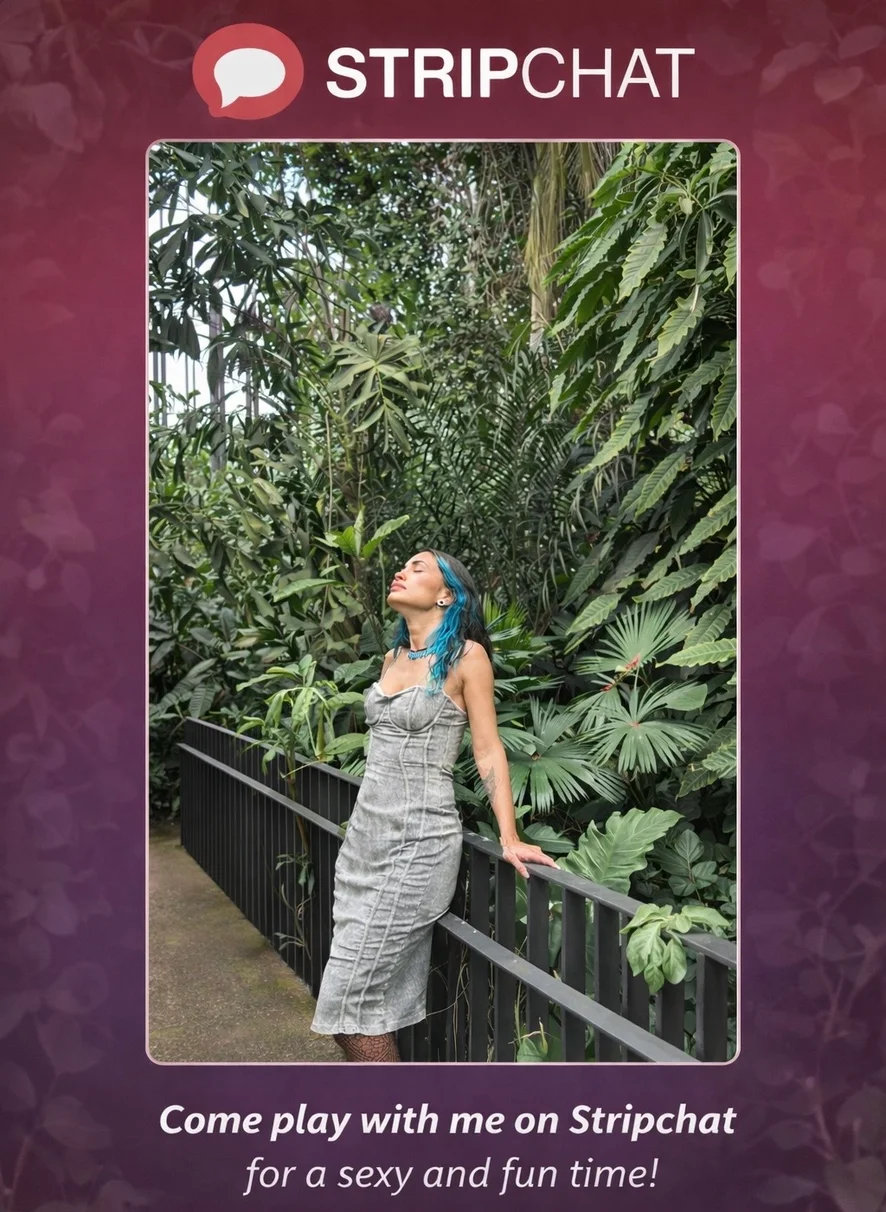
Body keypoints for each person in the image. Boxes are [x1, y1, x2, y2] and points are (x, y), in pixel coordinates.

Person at [310, 548, 557, 1062]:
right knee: (354, 1009)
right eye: (403, 566)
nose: (401, 571)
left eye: (417, 567)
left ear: (447, 594)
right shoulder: (392, 659)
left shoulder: (467, 657)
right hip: (363, 847)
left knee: (349, 1006)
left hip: (417, 846)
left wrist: (509, 836)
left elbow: (487, 750)